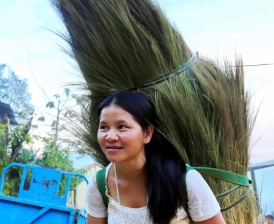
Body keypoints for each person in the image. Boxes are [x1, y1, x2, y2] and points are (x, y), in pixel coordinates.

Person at [86, 91, 226, 224]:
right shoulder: (99, 186)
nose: (110, 137)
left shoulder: (186, 180)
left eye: (122, 126)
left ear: (147, 134)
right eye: (104, 127)